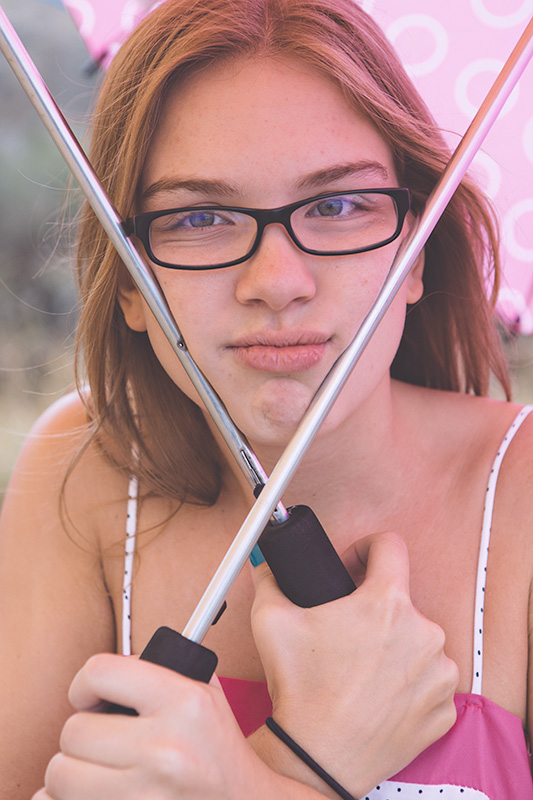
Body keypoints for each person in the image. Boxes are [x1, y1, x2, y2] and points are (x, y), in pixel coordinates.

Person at [0, 0, 531, 797]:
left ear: (414, 254)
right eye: (200, 217)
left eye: (337, 205)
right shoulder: (81, 473)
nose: (277, 283)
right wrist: (306, 761)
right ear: (131, 284)